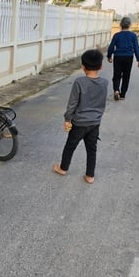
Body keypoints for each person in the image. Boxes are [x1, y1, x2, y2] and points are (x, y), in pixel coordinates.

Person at [52, 49, 109, 185]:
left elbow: (72, 103)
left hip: (79, 123)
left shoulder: (79, 82)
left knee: (70, 146)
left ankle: (63, 168)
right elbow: (102, 103)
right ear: (101, 66)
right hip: (95, 123)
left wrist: (67, 119)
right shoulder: (105, 83)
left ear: (82, 66)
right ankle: (90, 176)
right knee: (92, 149)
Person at [107, 17, 139, 100]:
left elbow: (111, 46)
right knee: (126, 76)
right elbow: (136, 48)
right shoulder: (133, 35)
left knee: (117, 75)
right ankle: (122, 94)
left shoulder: (117, 35)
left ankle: (116, 90)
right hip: (128, 57)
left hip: (118, 57)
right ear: (129, 25)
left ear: (121, 25)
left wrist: (109, 56)